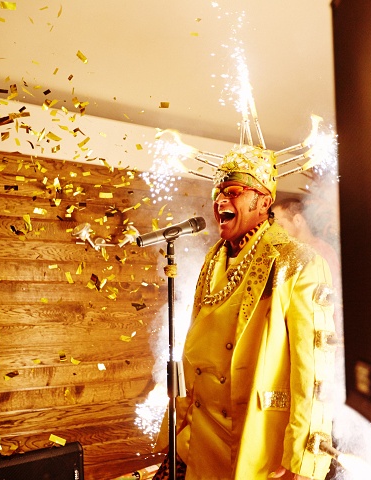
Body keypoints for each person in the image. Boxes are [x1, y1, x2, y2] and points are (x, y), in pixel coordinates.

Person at [153, 145, 338, 479]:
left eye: (233, 192)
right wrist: (179, 428)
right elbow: (192, 354)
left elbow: (313, 371)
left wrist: (303, 459)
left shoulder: (299, 262)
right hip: (202, 439)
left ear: (263, 202)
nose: (220, 201)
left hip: (259, 445)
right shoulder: (213, 261)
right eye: (218, 192)